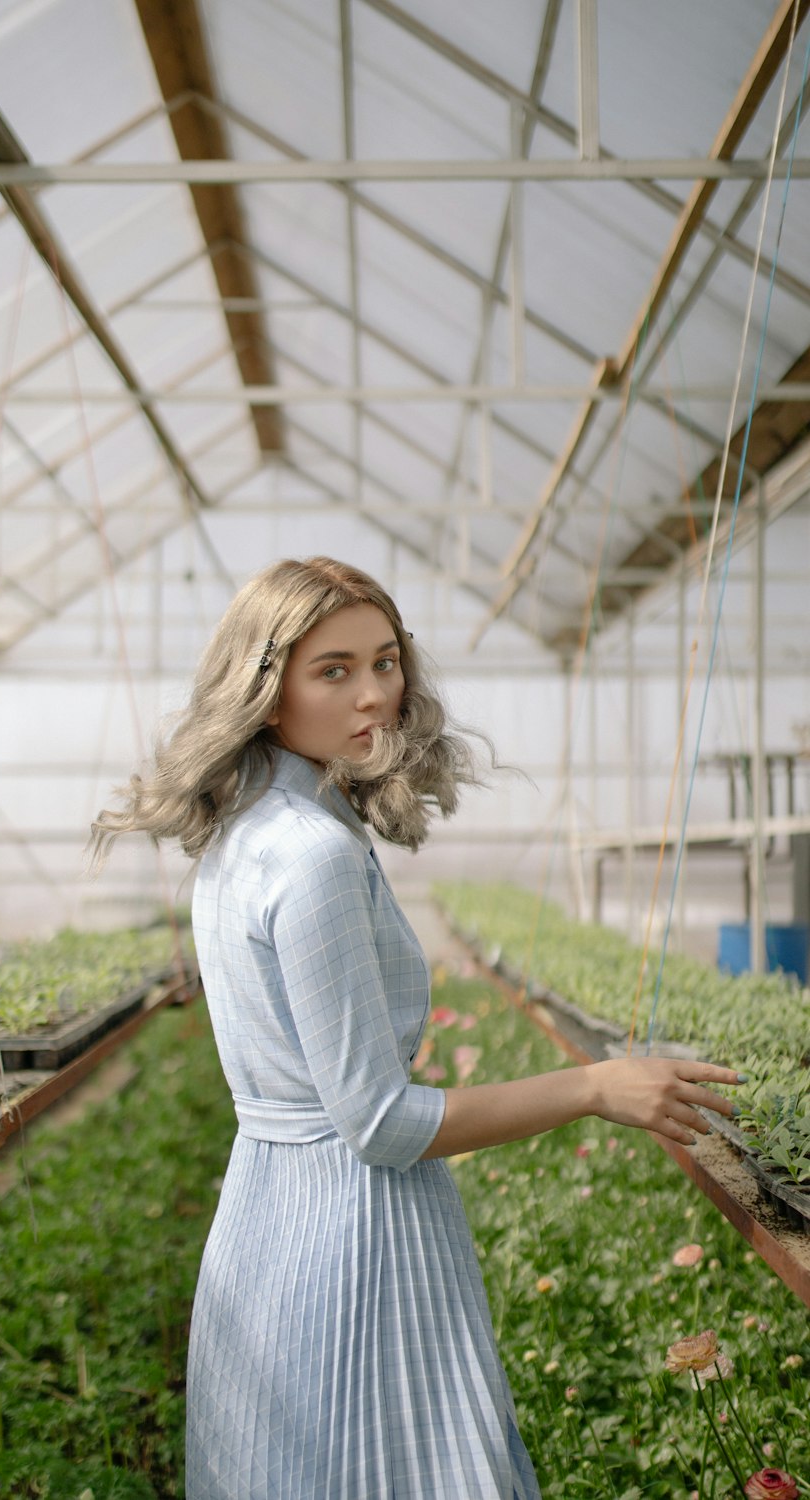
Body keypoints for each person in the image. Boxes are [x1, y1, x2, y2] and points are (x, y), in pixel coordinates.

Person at [91, 555, 741, 1500]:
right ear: (267, 691)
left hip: (272, 1213)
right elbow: (382, 1123)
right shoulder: (310, 855)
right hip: (351, 1235)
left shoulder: (251, 827)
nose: (375, 696)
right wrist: (595, 1087)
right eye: (334, 670)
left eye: (386, 661)